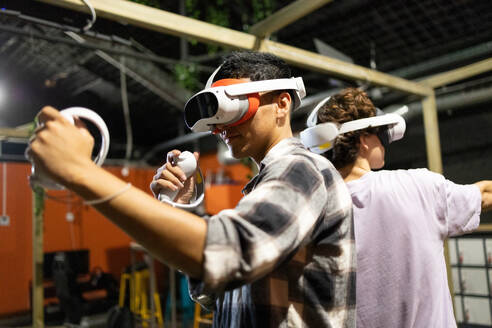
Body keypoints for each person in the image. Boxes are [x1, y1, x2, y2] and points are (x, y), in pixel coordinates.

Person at [28, 51, 356, 327]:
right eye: (216, 120)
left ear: (282, 104)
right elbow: (217, 291)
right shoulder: (262, 187)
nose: (222, 128)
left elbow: (232, 254)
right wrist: (181, 208)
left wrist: (81, 173)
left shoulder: (302, 169)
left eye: (232, 108)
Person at [310, 87, 492, 327]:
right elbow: (485, 194)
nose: (385, 142)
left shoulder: (313, 209)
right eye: (380, 134)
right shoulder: (418, 186)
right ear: (363, 139)